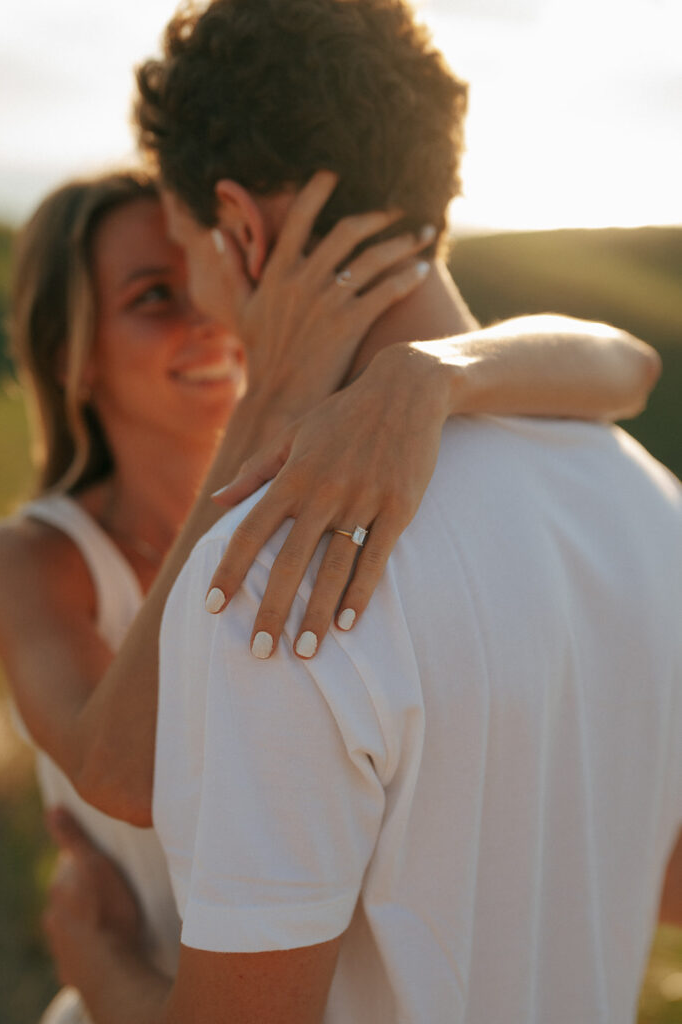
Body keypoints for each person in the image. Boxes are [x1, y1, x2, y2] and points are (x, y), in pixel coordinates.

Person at [35, 0, 681, 1022]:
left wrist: (95, 963)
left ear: (240, 230)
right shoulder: (652, 507)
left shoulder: (276, 572)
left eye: (185, 247)